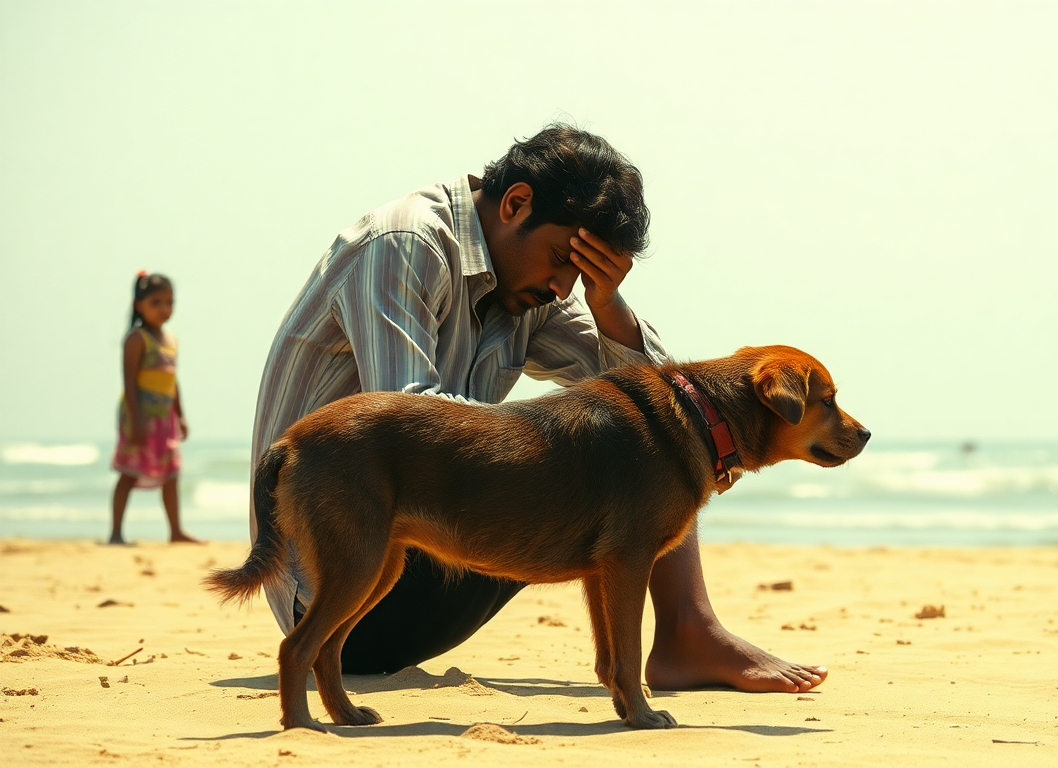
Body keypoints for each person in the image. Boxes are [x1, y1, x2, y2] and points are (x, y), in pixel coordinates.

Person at [251, 124, 826, 693]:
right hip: (341, 580)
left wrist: (608, 303)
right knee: (655, 456)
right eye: (560, 258)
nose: (562, 286)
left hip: (418, 568)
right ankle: (683, 633)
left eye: (580, 273)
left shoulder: (530, 291)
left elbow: (674, 402)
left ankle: (685, 633)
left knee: (665, 440)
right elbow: (402, 413)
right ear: (516, 203)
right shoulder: (404, 244)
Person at [109, 272, 200, 545]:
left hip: (165, 419)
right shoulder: (137, 338)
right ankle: (116, 532)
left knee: (171, 473)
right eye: (156, 302)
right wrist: (136, 420)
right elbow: (128, 381)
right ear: (139, 304)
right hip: (139, 416)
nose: (164, 309)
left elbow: (172, 382)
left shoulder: (170, 339)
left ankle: (175, 530)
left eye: (169, 302)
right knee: (129, 471)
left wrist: (181, 416)